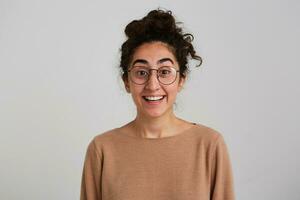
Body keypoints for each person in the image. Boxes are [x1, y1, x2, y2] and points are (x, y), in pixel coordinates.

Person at [80, 9, 235, 200]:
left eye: (164, 71)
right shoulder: (102, 149)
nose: (153, 85)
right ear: (126, 81)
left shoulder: (209, 145)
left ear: (181, 80)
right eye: (141, 72)